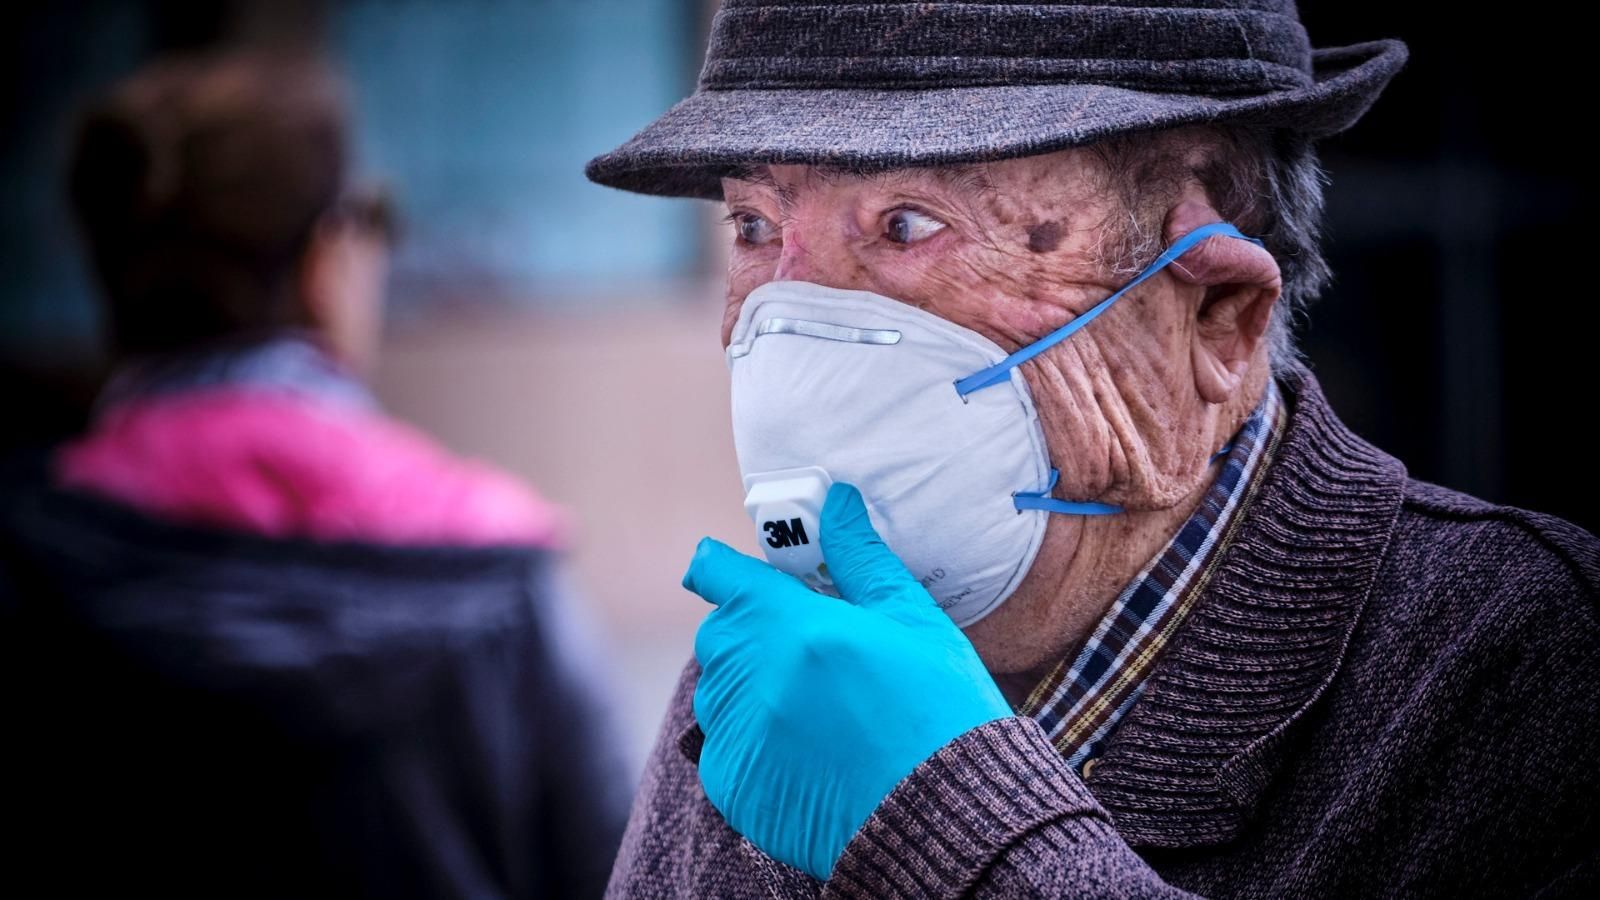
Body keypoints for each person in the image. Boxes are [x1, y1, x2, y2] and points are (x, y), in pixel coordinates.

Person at [583, 1, 1599, 897]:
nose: (792, 326)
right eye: (755, 225)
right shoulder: (780, 671)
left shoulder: (1526, 661)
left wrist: (941, 819)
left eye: (905, 224)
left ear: (1215, 313)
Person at [0, 51, 629, 898]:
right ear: (325, 259)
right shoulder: (488, 565)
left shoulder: (32, 554)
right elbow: (617, 868)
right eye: (371, 216)